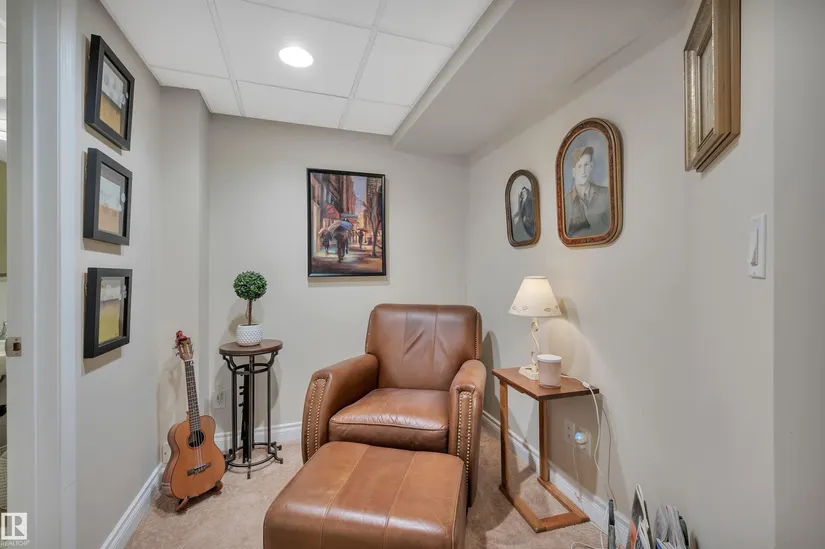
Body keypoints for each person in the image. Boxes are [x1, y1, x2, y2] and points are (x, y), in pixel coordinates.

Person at [563, 146, 610, 237]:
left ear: (591, 166)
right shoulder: (565, 201)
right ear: (573, 172)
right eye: (579, 166)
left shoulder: (605, 194)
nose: (583, 171)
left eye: (586, 165)